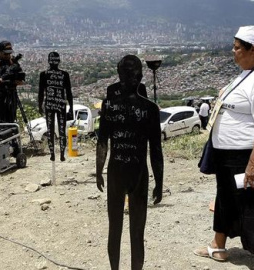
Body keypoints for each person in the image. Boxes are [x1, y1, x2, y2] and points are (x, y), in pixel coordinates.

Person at [193, 26, 254, 270]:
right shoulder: (249, 72)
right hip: (229, 155)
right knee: (225, 199)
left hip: (250, 155)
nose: (233, 52)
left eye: (237, 48)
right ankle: (218, 245)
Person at [96, 55, 164, 270]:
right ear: (141, 76)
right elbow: (155, 151)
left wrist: (99, 171)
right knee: (135, 231)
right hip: (138, 171)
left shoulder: (110, 106)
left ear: (119, 75)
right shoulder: (150, 109)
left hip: (117, 169)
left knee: (116, 228)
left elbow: (102, 143)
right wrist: (159, 181)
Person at [38, 52, 73, 161]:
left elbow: (41, 93)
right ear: (59, 61)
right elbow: (69, 93)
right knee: (62, 129)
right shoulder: (64, 74)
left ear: (49, 61)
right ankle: (62, 153)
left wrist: (39, 105)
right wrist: (71, 107)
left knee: (50, 129)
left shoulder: (44, 74)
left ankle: (52, 153)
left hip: (49, 104)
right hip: (61, 104)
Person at [0, 40, 24, 123]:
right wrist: (1, 80)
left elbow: (21, 81)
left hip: (12, 95)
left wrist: (14, 80)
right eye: (6, 53)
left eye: (9, 53)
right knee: (1, 121)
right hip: (0, 96)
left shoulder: (12, 62)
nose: (8, 55)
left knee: (12, 120)